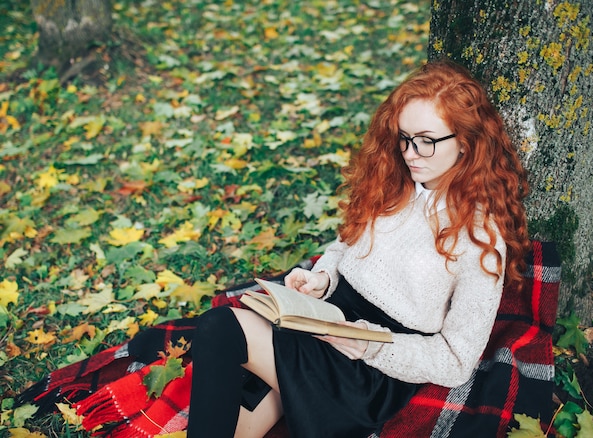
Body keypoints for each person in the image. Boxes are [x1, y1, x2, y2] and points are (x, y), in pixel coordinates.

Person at [186, 59, 530, 438]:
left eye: (426, 141)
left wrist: (369, 346)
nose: (411, 153)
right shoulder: (395, 183)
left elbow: (455, 361)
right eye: (404, 137)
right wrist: (323, 277)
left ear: (465, 142)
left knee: (220, 328)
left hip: (369, 367)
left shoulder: (481, 236)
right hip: (323, 320)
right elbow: (345, 244)